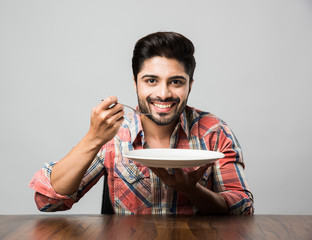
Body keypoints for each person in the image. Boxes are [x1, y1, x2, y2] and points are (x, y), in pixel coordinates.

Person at [29, 32, 254, 214]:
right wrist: (93, 139)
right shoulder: (114, 134)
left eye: (176, 82)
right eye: (151, 81)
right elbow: (48, 201)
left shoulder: (214, 132)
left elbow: (243, 208)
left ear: (190, 85)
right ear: (136, 83)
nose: (163, 93)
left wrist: (191, 190)